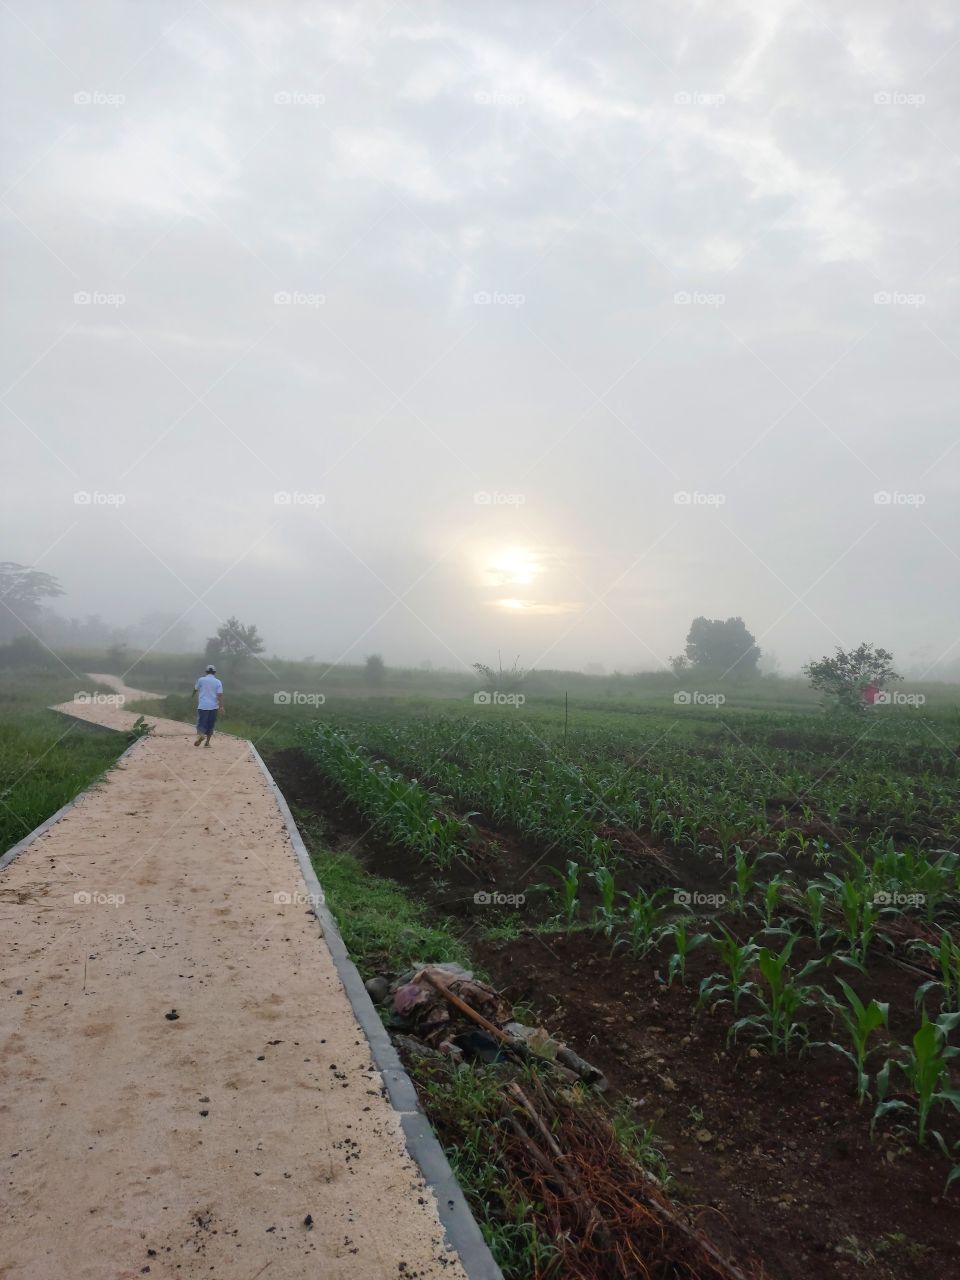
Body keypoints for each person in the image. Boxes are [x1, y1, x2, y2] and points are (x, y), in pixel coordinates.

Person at [192, 665, 224, 747]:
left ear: (206, 672)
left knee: (201, 722)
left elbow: (195, 689)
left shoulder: (201, 680)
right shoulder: (218, 682)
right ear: (214, 672)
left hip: (203, 706)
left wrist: (193, 695)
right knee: (211, 724)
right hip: (214, 707)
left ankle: (201, 735)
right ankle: (207, 743)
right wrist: (221, 707)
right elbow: (220, 695)